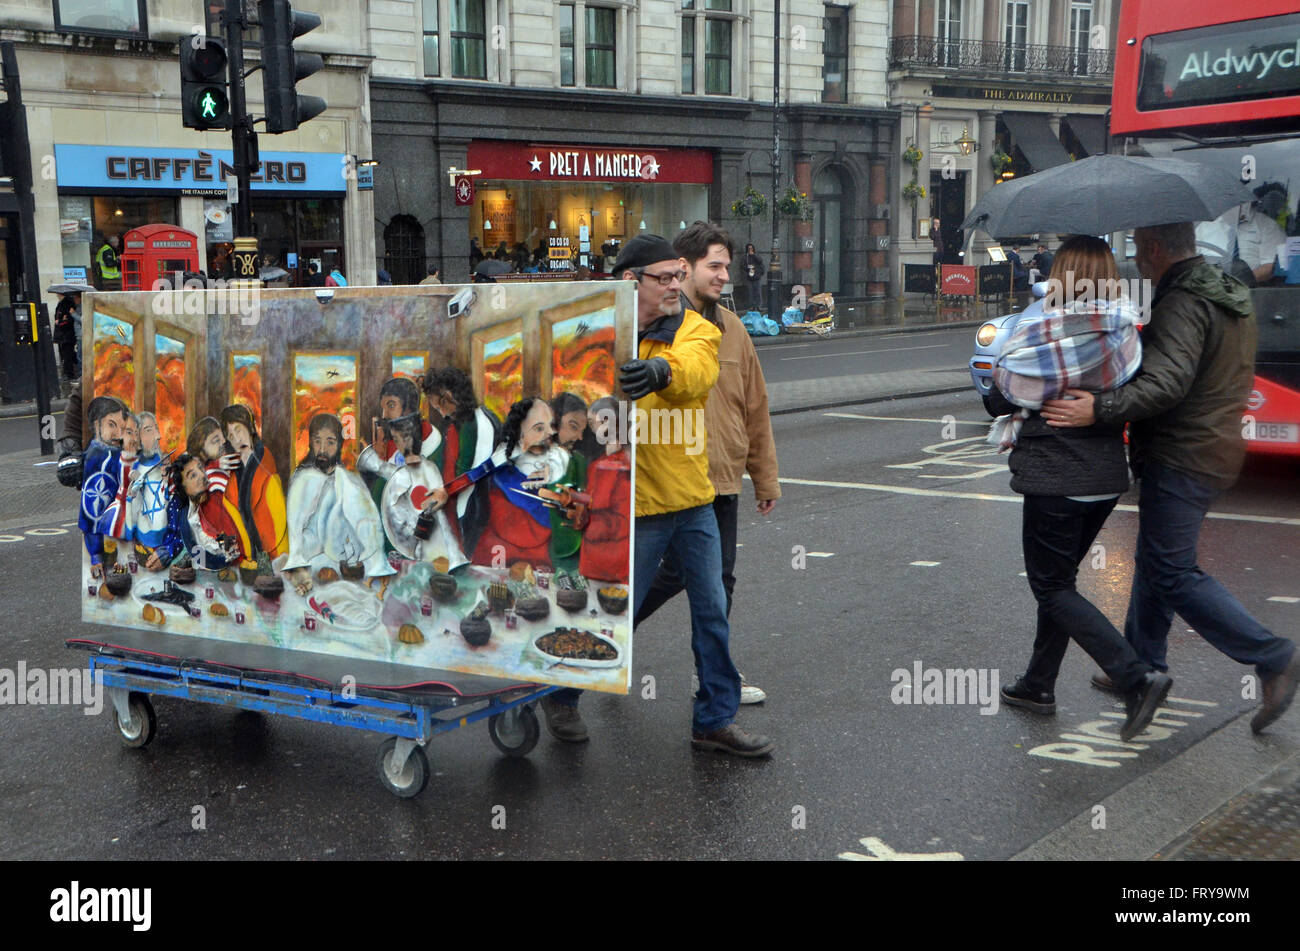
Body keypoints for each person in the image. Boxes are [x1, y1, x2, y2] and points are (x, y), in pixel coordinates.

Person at [1042, 222, 1299, 734]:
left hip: (1184, 453)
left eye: (1139, 249)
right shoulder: (1228, 291)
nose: (1138, 259)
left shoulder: (1183, 302)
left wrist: (1102, 406)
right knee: (1155, 561)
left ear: (1156, 249)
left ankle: (1273, 656)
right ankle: (1141, 664)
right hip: (1212, 447)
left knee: (1172, 571)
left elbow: (1167, 383)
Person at [543, 233, 774, 757]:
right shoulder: (599, 329)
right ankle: (561, 694)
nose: (676, 286)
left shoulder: (695, 327)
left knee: (713, 608)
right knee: (611, 610)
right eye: (664, 278)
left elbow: (698, 372)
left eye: (677, 276)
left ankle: (714, 719)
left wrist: (659, 370)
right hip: (632, 504)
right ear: (631, 282)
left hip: (691, 500)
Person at [986, 235, 1173, 741]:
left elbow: (1001, 394)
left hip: (1055, 476)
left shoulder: (1041, 325)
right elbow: (1133, 388)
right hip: (1104, 478)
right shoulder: (1123, 328)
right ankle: (1038, 684)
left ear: (1061, 272)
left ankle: (1136, 677)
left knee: (1050, 586)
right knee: (1060, 583)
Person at [633, 220, 779, 705]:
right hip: (668, 479)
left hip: (721, 479)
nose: (723, 276)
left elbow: (754, 405)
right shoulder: (664, 325)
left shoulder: (732, 328)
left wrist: (765, 477)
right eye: (713, 266)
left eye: (726, 267)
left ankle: (712, 688)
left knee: (719, 585)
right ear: (683, 266)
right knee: (657, 580)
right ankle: (605, 650)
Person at [284, 413, 395, 594]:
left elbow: (362, 522)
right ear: (311, 442)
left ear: (339, 445)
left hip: (342, 564)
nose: (322, 449)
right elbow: (296, 529)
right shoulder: (302, 478)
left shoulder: (347, 480)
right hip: (309, 563)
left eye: (330, 442)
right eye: (318, 441)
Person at [220, 403, 288, 563]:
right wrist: (221, 472)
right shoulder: (233, 467)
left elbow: (274, 516)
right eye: (230, 436)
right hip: (248, 556)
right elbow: (229, 505)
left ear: (250, 428)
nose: (237, 439)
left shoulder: (264, 460)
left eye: (238, 430)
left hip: (275, 553)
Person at [53, 293, 81, 380]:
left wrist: (60, 321)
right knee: (69, 354)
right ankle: (72, 372)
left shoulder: (69, 304)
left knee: (69, 354)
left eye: (76, 298)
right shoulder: (61, 304)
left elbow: (70, 320)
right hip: (65, 334)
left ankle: (72, 373)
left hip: (68, 334)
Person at [742, 243, 764, 311]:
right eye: (749, 249)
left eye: (751, 248)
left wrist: (753, 255)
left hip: (757, 276)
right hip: (749, 276)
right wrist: (747, 268)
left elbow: (760, 261)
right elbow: (742, 265)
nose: (750, 250)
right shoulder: (745, 257)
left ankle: (758, 306)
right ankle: (752, 306)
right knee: (750, 292)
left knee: (758, 292)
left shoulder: (756, 255)